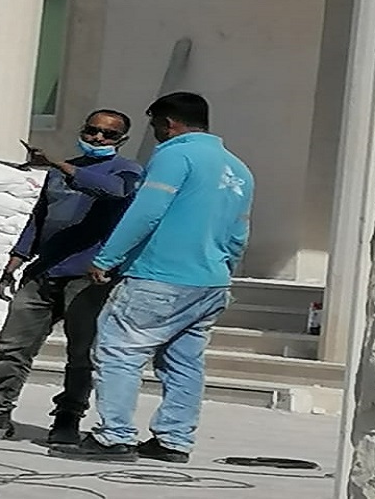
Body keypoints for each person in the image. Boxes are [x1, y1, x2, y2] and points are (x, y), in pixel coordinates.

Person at [50, 92, 254, 463]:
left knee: (118, 350)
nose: (156, 133)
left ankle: (114, 437)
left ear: (169, 123)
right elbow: (239, 231)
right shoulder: (238, 168)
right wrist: (225, 271)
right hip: (210, 281)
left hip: (160, 277)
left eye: (155, 125)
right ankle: (174, 440)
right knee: (184, 362)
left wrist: (107, 258)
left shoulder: (175, 155)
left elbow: (147, 211)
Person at [0, 110, 144, 444]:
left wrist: (60, 165)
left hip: (87, 275)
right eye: (93, 130)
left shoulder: (125, 171)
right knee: (13, 344)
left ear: (121, 140)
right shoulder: (58, 172)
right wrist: (16, 260)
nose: (98, 138)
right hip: (44, 270)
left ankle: (68, 416)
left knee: (81, 352)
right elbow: (39, 218)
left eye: (108, 134)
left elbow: (113, 191)